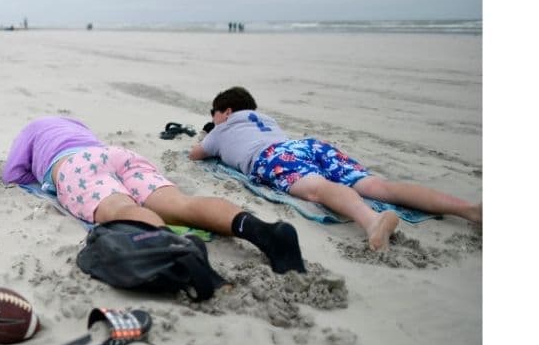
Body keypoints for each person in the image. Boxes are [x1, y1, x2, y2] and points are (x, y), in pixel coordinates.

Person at [190, 86, 483, 251]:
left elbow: (196, 154)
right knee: (375, 185)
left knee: (317, 188)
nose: (214, 119)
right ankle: (468, 209)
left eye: (213, 114)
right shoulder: (267, 119)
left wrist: (207, 135)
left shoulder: (222, 128)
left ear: (226, 112)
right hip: (305, 145)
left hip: (271, 156)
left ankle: (372, 221)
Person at [2, 116, 305, 274]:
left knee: (121, 208)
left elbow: (13, 174)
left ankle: (176, 249)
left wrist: (41, 176)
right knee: (180, 204)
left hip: (76, 165)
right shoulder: (77, 126)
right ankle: (262, 230)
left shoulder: (31, 130)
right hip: (115, 154)